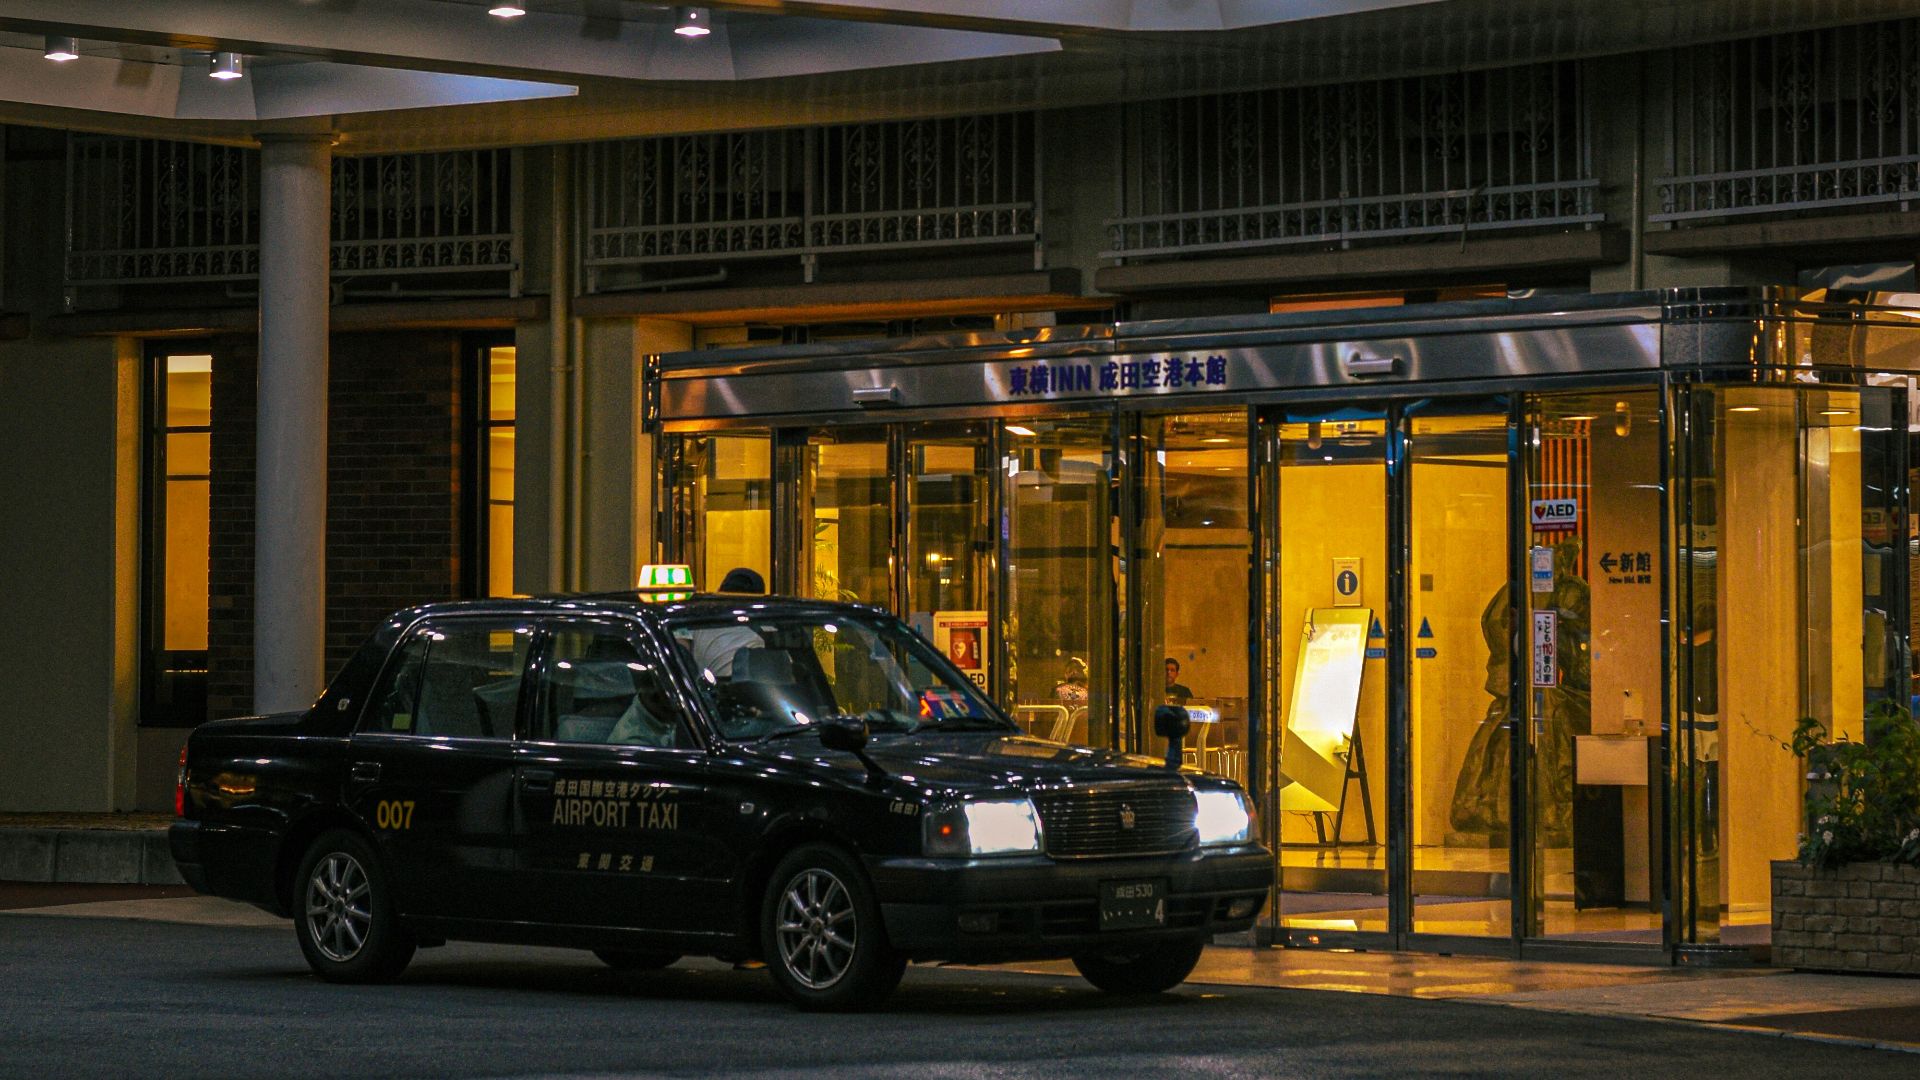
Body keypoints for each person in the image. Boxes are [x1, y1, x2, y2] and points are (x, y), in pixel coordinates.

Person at [686, 567, 767, 680]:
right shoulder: (769, 629)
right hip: (763, 692)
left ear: (720, 592)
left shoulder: (696, 625)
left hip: (707, 693)